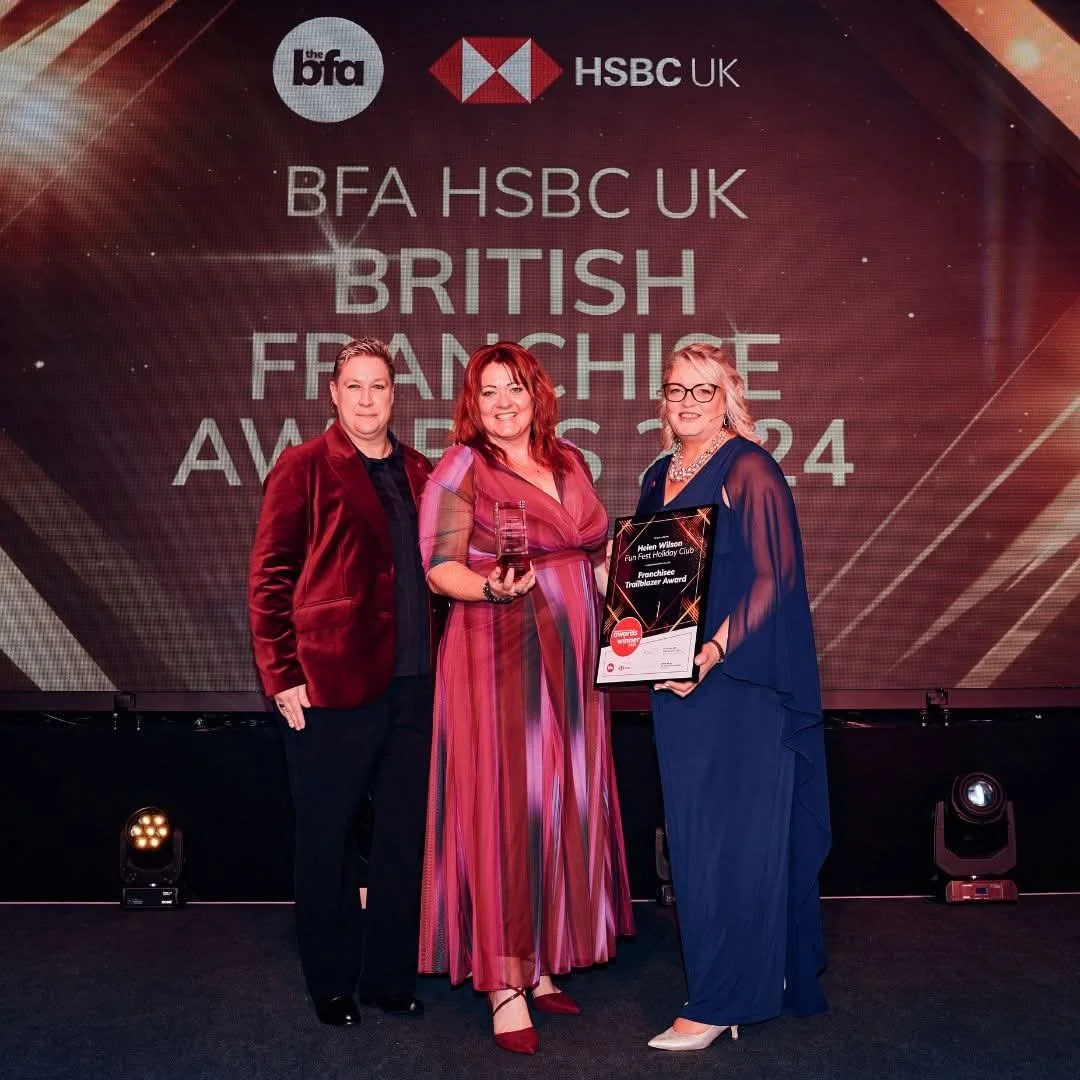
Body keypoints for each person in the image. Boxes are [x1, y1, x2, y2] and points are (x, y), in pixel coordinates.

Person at [417, 341, 634, 1055]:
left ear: (538, 393)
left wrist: (649, 618)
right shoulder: (461, 466)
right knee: (507, 807)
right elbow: (438, 568)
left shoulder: (569, 459)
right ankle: (503, 984)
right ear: (471, 406)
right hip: (497, 655)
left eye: (515, 388)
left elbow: (597, 551)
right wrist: (490, 588)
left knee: (558, 801)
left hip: (573, 663)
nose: (503, 403)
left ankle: (539, 964)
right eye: (488, 393)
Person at [637, 341, 831, 1051]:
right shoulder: (659, 473)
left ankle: (722, 1001)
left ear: (730, 395)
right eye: (675, 390)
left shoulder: (750, 466)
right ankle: (758, 977)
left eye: (703, 390)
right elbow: (651, 580)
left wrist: (711, 653)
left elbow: (773, 580)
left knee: (732, 846)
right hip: (672, 686)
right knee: (696, 843)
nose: (687, 403)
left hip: (740, 687)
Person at [248, 337, 442, 1027]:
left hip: (417, 684)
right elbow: (269, 580)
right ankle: (330, 982)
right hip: (327, 687)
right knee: (325, 839)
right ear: (333, 393)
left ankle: (390, 979)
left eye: (379, 386)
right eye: (354, 386)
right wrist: (283, 674)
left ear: (395, 393)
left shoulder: (422, 470)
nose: (366, 399)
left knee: (400, 840)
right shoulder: (301, 468)